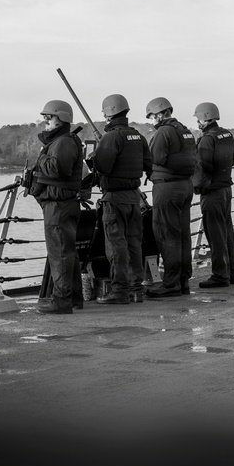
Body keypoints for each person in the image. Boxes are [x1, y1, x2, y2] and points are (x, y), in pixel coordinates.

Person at [90, 93, 152, 304]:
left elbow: (103, 167)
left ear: (108, 113)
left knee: (116, 245)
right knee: (135, 244)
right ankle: (136, 289)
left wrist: (95, 157)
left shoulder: (111, 137)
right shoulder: (138, 136)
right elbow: (147, 164)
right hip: (134, 198)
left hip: (115, 199)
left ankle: (119, 290)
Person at [30, 100, 85, 314]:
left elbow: (57, 169)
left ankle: (62, 300)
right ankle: (74, 298)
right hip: (61, 204)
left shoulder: (62, 142)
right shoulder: (62, 141)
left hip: (58, 206)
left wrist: (40, 159)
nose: (45, 120)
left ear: (61, 118)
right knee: (67, 251)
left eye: (49, 117)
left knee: (59, 253)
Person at [143, 97, 197, 299]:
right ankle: (183, 281)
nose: (151, 121)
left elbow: (155, 159)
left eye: (151, 117)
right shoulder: (185, 131)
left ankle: (171, 283)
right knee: (183, 235)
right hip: (185, 186)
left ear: (159, 114)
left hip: (167, 189)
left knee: (166, 234)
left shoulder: (163, 133)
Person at [191, 102, 234, 287]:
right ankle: (232, 274)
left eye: (198, 119)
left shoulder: (207, 139)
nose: (197, 122)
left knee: (215, 235)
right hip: (226, 188)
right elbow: (233, 159)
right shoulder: (227, 134)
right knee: (227, 233)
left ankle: (220, 276)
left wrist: (197, 186)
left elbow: (203, 166)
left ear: (205, 117)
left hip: (212, 192)